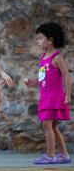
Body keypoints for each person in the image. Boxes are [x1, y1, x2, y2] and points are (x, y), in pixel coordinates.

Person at [24, 22, 72, 164]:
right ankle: (64, 155)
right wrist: (33, 82)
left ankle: (50, 156)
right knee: (53, 126)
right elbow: (43, 75)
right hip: (45, 97)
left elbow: (66, 76)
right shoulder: (43, 57)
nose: (37, 41)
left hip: (54, 97)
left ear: (50, 40)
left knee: (46, 125)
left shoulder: (57, 57)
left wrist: (68, 95)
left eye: (40, 38)